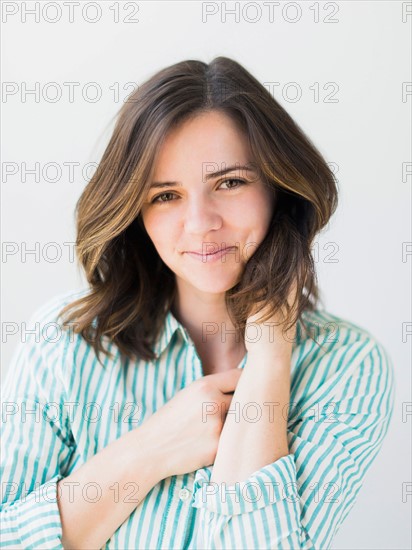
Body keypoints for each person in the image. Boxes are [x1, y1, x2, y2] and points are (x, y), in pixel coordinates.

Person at [0, 57, 395, 550]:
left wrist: (271, 362)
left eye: (230, 182)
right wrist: (150, 450)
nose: (200, 222)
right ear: (134, 210)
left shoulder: (348, 367)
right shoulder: (64, 342)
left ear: (278, 187)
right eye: (165, 195)